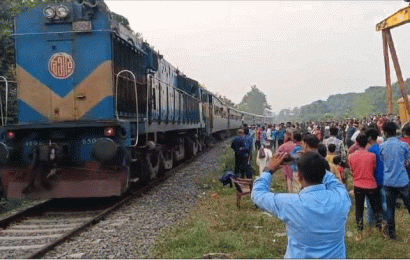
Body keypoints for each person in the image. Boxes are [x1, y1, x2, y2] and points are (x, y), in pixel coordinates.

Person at [251, 152, 351, 258]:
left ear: (299, 177)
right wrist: (311, 162)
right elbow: (333, 181)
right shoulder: (341, 197)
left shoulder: (291, 204)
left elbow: (257, 194)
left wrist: (268, 169)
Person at [379, 121, 410, 239]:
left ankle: (392, 234)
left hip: (388, 180)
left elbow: (382, 161)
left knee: (390, 209)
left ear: (385, 132)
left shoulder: (382, 146)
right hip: (402, 180)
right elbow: (408, 159)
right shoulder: (403, 145)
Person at [348, 134, 382, 235]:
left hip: (358, 184)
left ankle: (360, 229)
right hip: (371, 184)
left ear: (357, 143)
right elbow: (374, 168)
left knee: (359, 208)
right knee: (375, 207)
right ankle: (379, 227)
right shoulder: (372, 156)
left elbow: (352, 171)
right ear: (367, 142)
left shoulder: (351, 156)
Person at [365, 127, 387, 226]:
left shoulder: (370, 150)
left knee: (371, 204)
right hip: (384, 179)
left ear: (369, 138)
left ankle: (371, 223)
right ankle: (386, 222)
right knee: (384, 203)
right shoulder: (382, 147)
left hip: (374, 179)